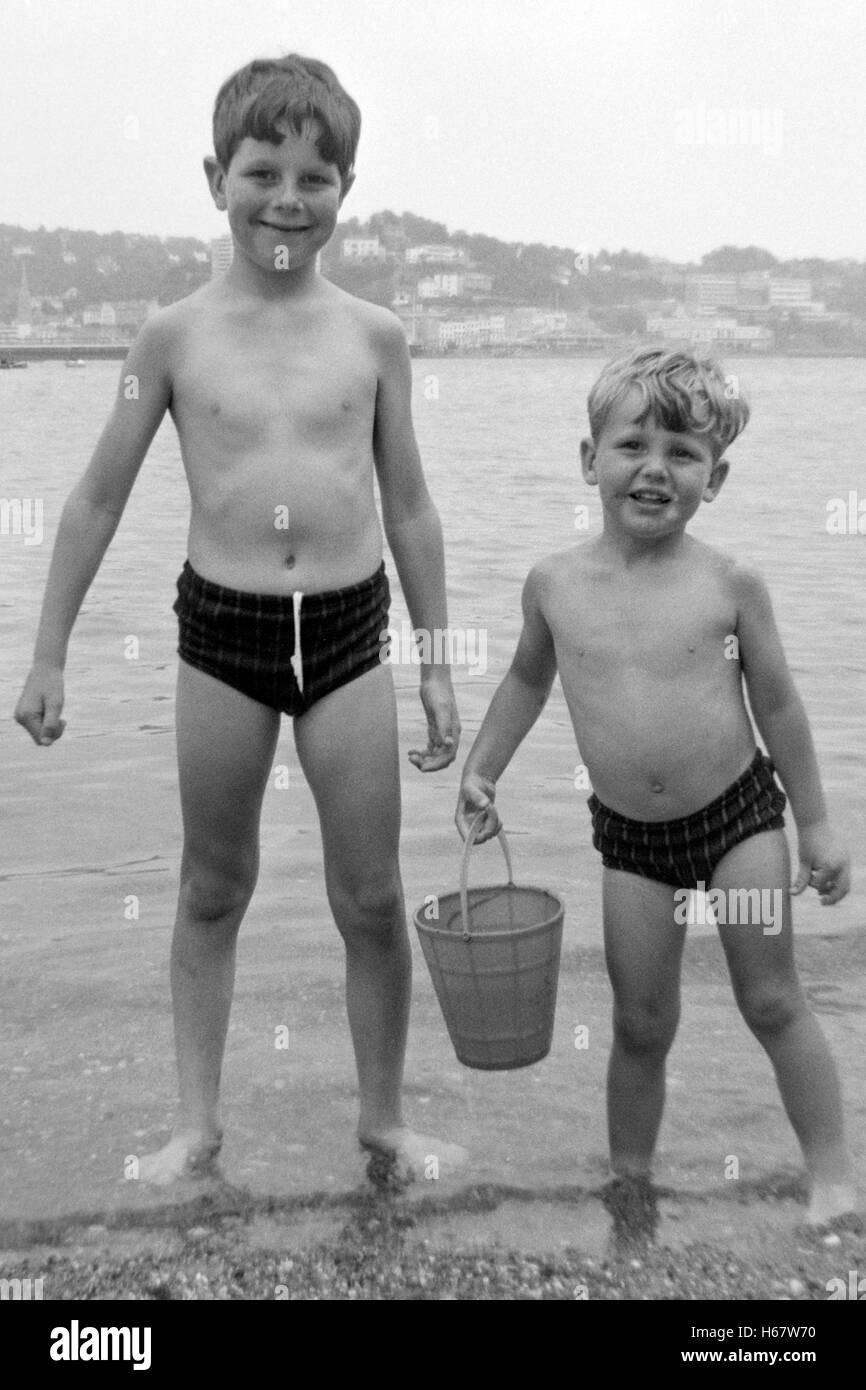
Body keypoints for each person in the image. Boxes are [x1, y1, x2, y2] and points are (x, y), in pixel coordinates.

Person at [15, 53, 464, 1185]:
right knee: (212, 885)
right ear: (216, 175)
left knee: (369, 894)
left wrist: (436, 660)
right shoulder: (169, 337)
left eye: (315, 178)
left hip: (349, 631)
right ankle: (194, 1126)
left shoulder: (377, 337)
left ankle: (380, 1119)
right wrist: (50, 650)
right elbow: (97, 494)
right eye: (261, 171)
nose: (286, 199)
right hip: (221, 633)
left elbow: (407, 503)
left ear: (345, 190)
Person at [456, 347, 855, 1228]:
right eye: (632, 444)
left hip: (739, 826)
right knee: (639, 1020)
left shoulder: (729, 585)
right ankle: (629, 1182)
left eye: (683, 453)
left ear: (715, 479)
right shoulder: (555, 585)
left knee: (771, 998)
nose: (654, 468)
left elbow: (779, 704)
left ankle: (831, 1174)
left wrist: (818, 825)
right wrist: (483, 769)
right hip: (634, 847)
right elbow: (526, 680)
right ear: (588, 459)